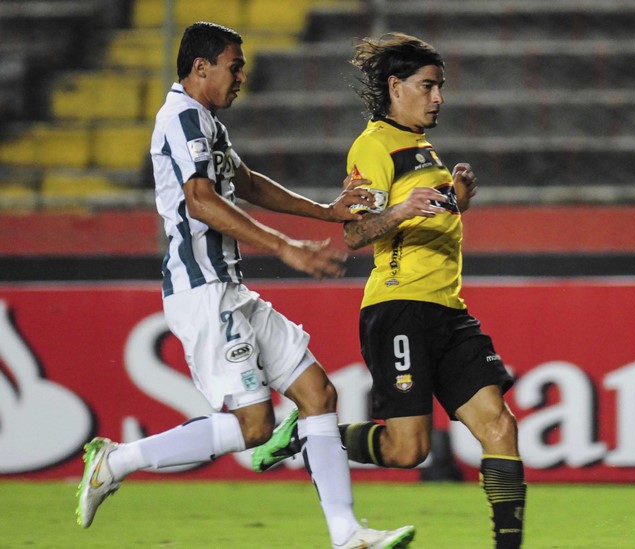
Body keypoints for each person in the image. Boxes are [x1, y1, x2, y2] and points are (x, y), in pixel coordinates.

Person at [75, 21, 415, 549]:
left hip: (229, 288)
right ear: (200, 68)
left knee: (318, 394)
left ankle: (347, 534)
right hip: (203, 291)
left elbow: (247, 183)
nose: (242, 77)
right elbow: (201, 201)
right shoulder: (182, 116)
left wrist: (325, 213)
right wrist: (283, 247)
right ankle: (116, 461)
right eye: (235, 67)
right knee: (255, 428)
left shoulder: (207, 123)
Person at [253, 32, 526, 548]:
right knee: (408, 451)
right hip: (400, 309)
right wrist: (400, 209)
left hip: (448, 310)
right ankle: (309, 438)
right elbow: (355, 233)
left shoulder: (422, 148)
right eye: (428, 86)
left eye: (440, 86)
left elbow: (427, 213)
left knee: (500, 428)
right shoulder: (373, 146)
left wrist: (457, 199)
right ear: (395, 86)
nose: (438, 97)